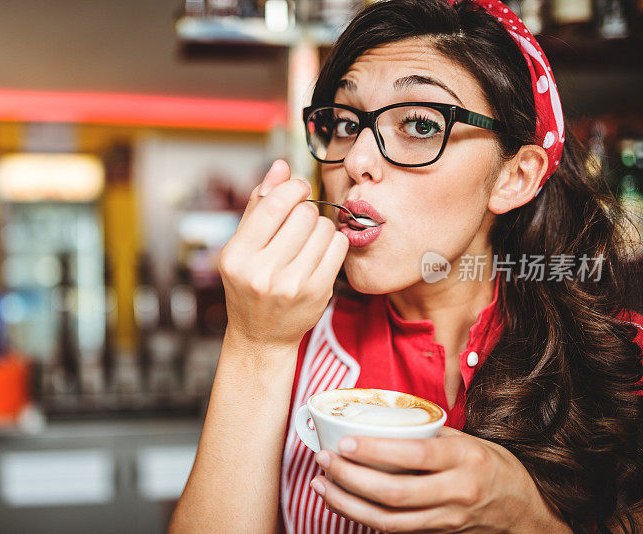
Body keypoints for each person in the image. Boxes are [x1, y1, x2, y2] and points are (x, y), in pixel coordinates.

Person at [170, 0, 643, 532]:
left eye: (419, 123)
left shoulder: (622, 360)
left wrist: (524, 517)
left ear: (516, 176)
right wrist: (254, 345)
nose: (353, 161)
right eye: (345, 123)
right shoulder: (290, 337)